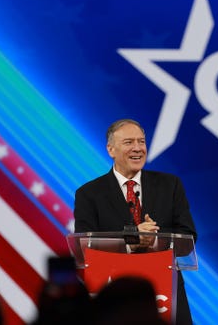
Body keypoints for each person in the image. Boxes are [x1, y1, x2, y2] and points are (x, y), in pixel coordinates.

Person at [74, 118, 197, 325]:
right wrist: (130, 240)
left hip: (167, 290)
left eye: (141, 141)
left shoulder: (170, 185)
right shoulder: (89, 194)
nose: (138, 148)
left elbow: (189, 237)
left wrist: (155, 238)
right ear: (111, 149)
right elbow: (86, 247)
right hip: (115, 294)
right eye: (129, 142)